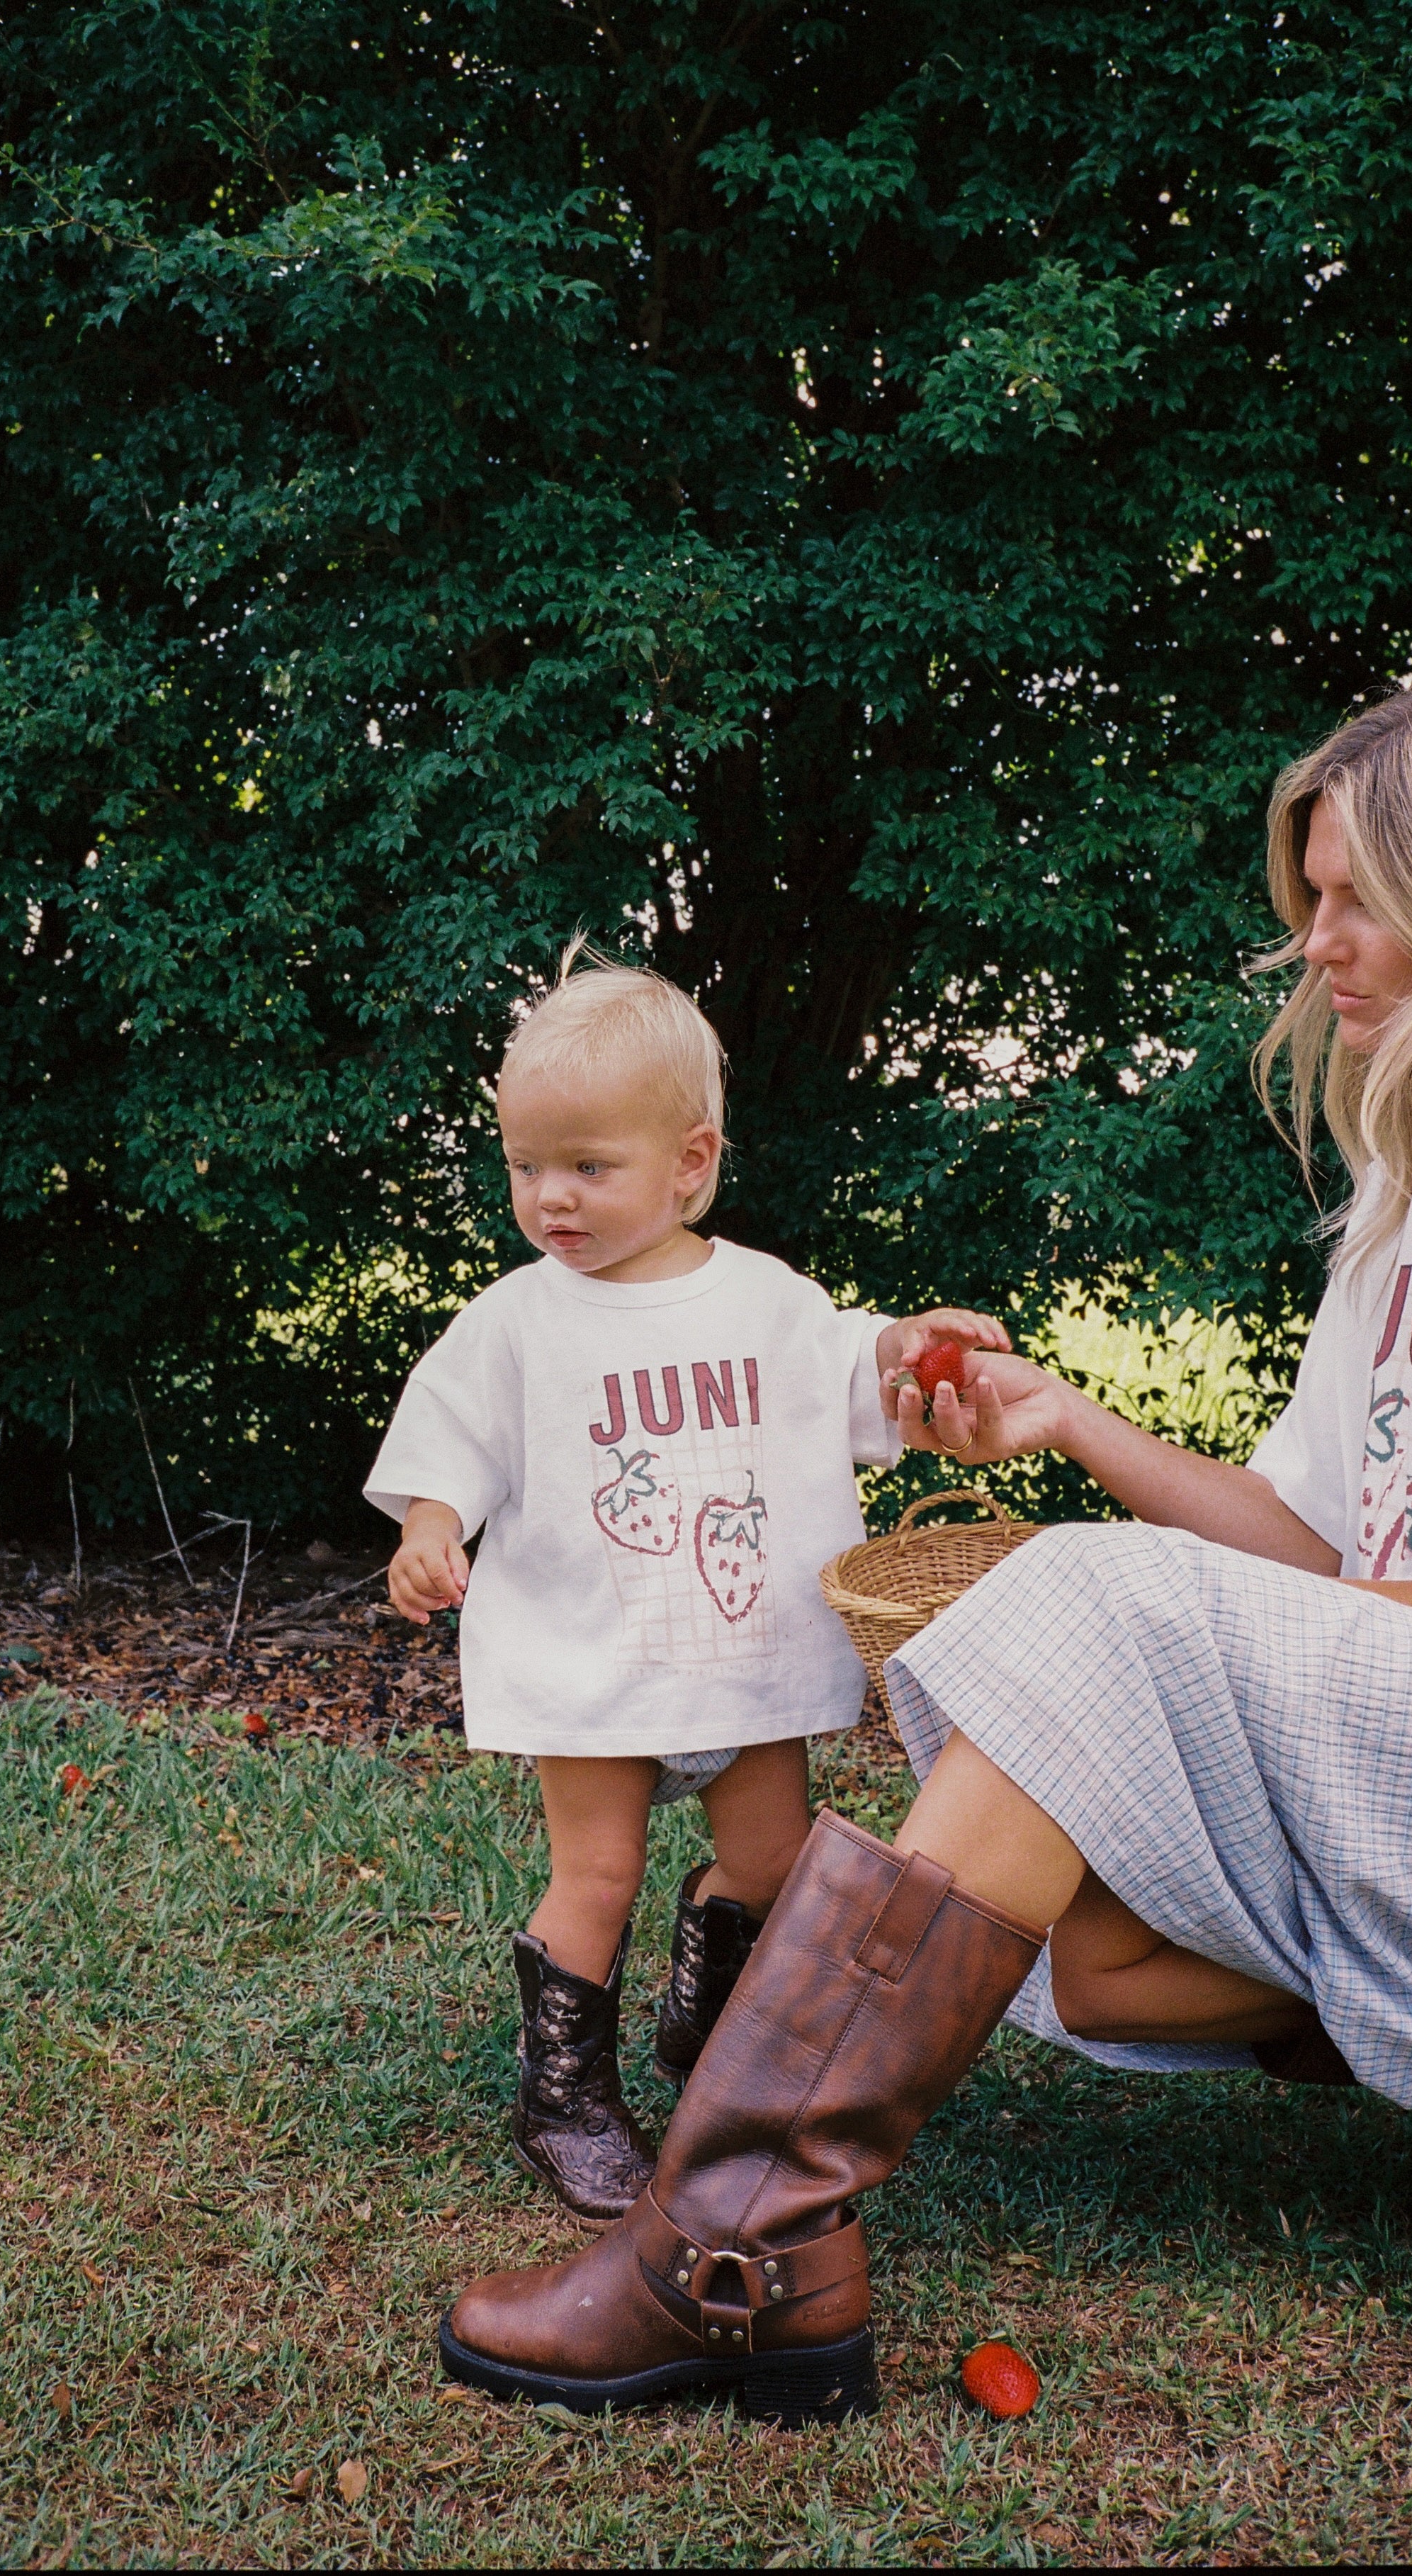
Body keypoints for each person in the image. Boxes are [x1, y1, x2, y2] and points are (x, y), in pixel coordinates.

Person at [436, 668, 1412, 2424]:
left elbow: (1356, 1606)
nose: (1309, 946)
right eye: (1307, 897)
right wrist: (1071, 1428)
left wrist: (1345, 1634)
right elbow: (1310, 1546)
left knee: (1081, 1609)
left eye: (1354, 902)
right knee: (1088, 1955)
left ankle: (736, 2242)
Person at [365, 944, 1007, 2222]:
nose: (551, 1196)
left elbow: (848, 1369)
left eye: (588, 1167)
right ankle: (566, 2100)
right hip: (591, 1657)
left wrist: (905, 1344)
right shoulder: (515, 1322)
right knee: (594, 1876)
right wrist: (432, 1528)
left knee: (772, 1865)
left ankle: (711, 2017)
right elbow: (452, 1442)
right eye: (525, 1167)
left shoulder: (765, 1302)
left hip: (743, 1658)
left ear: (691, 1163)